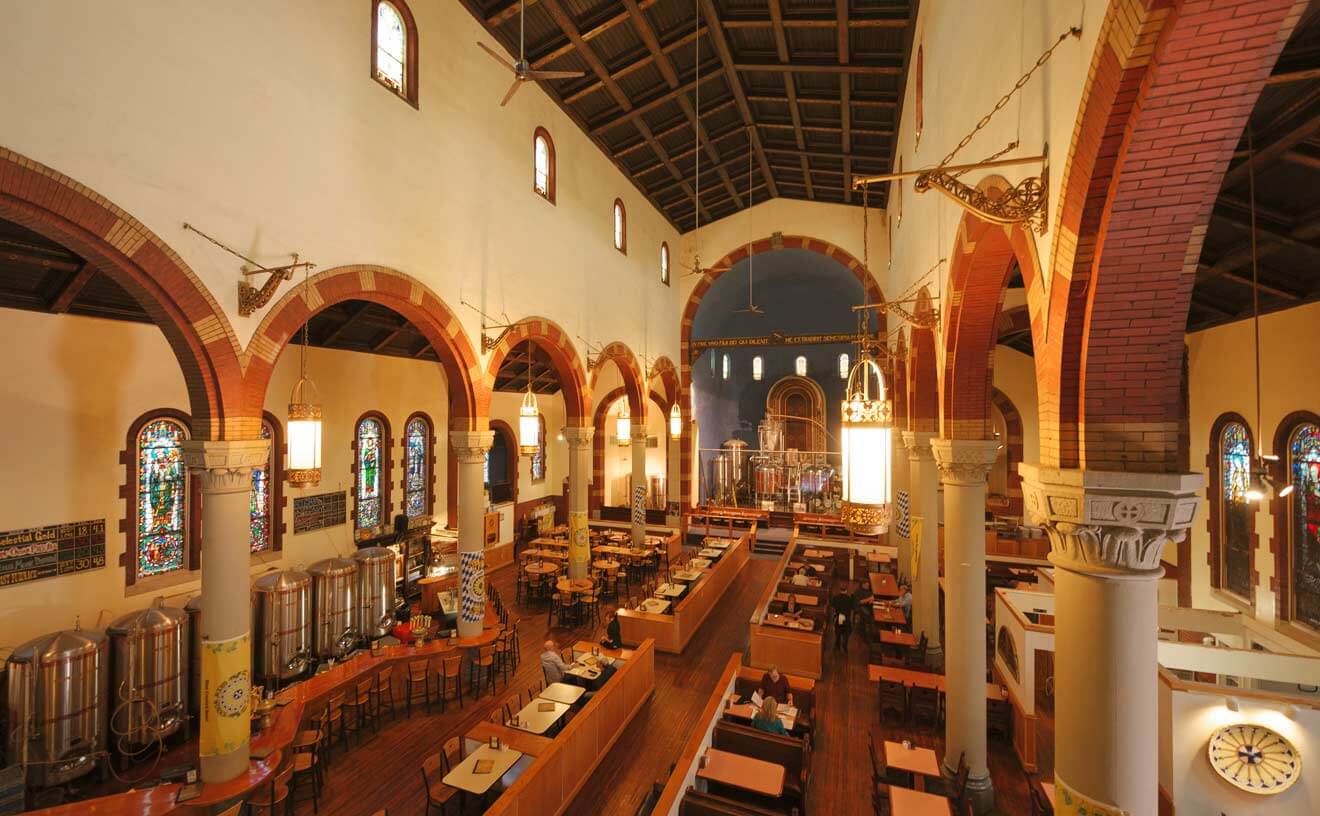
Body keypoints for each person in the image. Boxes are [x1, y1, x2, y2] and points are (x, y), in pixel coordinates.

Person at [830, 586, 856, 653]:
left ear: (840, 590)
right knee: (847, 632)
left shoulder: (835, 598)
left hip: (838, 617)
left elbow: (832, 605)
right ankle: (845, 645)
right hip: (846, 618)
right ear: (846, 590)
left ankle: (838, 645)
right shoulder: (849, 599)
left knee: (838, 632)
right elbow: (853, 607)